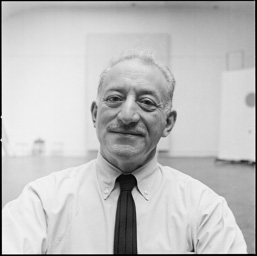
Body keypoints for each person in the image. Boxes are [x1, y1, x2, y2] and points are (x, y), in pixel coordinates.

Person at [2, 49, 247, 254]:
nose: (128, 115)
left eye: (147, 102)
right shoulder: (41, 203)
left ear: (168, 123)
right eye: (115, 98)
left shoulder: (206, 210)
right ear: (96, 114)